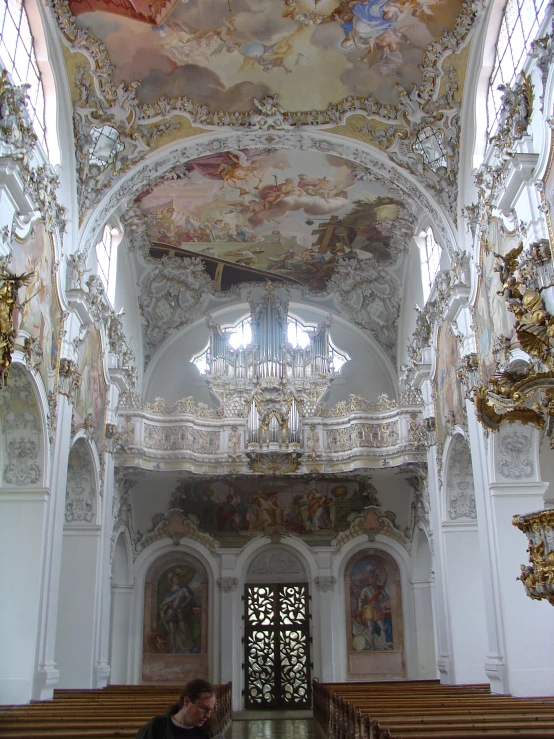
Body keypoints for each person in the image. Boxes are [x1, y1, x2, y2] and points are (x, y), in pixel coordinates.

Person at [135, 679, 218, 739]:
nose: (208, 715)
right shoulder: (156, 728)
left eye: (211, 710)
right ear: (187, 701)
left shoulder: (209, 733)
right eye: (204, 709)